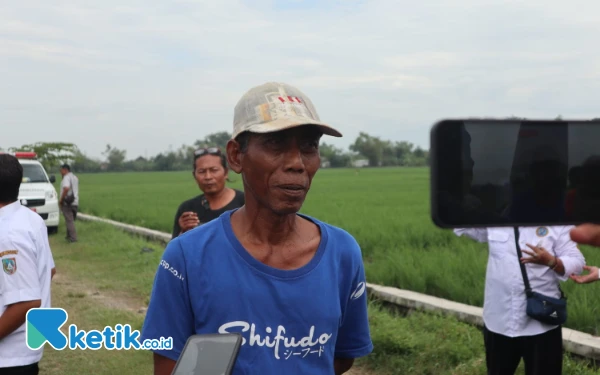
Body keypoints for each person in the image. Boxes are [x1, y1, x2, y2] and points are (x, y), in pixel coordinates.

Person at [141, 82, 373, 375]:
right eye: (275, 144)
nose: (296, 164)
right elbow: (169, 366)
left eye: (309, 146)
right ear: (237, 156)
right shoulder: (186, 256)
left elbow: (337, 358)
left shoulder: (342, 253)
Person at [454, 225, 585, 375]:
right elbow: (465, 225)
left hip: (541, 323)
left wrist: (552, 261)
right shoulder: (497, 215)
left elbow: (577, 262)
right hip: (499, 320)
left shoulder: (556, 220)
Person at [0, 154, 56, 375]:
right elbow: (48, 270)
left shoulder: (8, 235)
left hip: (9, 358)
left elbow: (26, 302)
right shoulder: (30, 219)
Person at [171, 148, 244, 239]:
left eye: (214, 170)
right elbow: (175, 249)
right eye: (202, 172)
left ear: (225, 173)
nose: (208, 177)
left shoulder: (244, 203)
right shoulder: (187, 209)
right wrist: (183, 232)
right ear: (194, 175)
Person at [58, 164, 79, 243]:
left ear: (65, 170)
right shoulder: (75, 177)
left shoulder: (66, 177)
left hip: (67, 203)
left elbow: (66, 188)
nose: (60, 172)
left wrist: (61, 200)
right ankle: (68, 236)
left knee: (69, 221)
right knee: (70, 220)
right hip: (75, 202)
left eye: (61, 170)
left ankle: (73, 238)